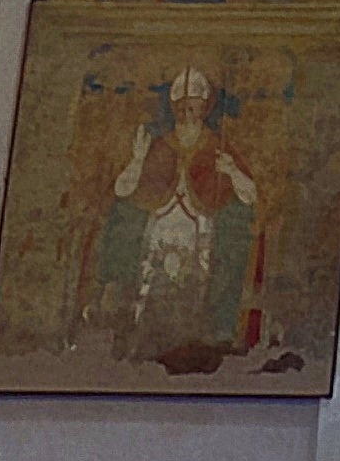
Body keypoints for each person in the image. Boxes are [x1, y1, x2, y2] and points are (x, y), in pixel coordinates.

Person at [92, 68, 263, 373]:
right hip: (161, 227)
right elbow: (123, 189)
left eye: (194, 105)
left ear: (205, 106)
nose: (188, 111)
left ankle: (197, 342)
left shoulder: (217, 146)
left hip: (201, 228)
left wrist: (232, 171)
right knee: (150, 277)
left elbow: (250, 195)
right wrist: (138, 159)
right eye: (182, 105)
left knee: (201, 277)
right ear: (174, 108)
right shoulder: (159, 145)